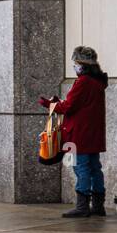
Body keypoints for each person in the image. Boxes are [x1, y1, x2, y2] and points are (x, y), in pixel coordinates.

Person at [40, 45, 108, 218]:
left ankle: (82, 206)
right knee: (95, 168)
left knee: (81, 168)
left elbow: (68, 107)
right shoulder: (98, 81)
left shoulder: (83, 82)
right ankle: (98, 205)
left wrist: (49, 104)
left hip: (78, 133)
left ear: (81, 64)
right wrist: (59, 102)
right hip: (93, 133)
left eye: (75, 63)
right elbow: (80, 104)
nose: (74, 66)